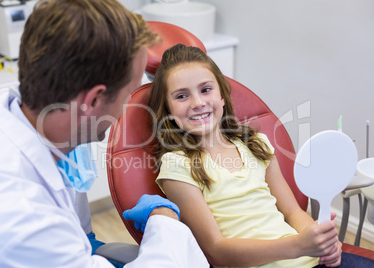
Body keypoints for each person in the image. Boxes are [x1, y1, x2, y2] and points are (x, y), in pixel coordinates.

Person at [0, 0, 209, 267]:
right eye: (128, 95)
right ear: (95, 99)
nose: (123, 112)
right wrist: (164, 220)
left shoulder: (2, 109)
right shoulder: (23, 220)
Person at [148, 44, 374, 268]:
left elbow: (293, 212)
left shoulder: (255, 145)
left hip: (309, 260)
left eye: (206, 90)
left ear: (223, 96)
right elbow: (216, 250)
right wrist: (298, 245)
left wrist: (322, 242)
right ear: (168, 111)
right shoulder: (178, 164)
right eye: (181, 96)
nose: (197, 103)